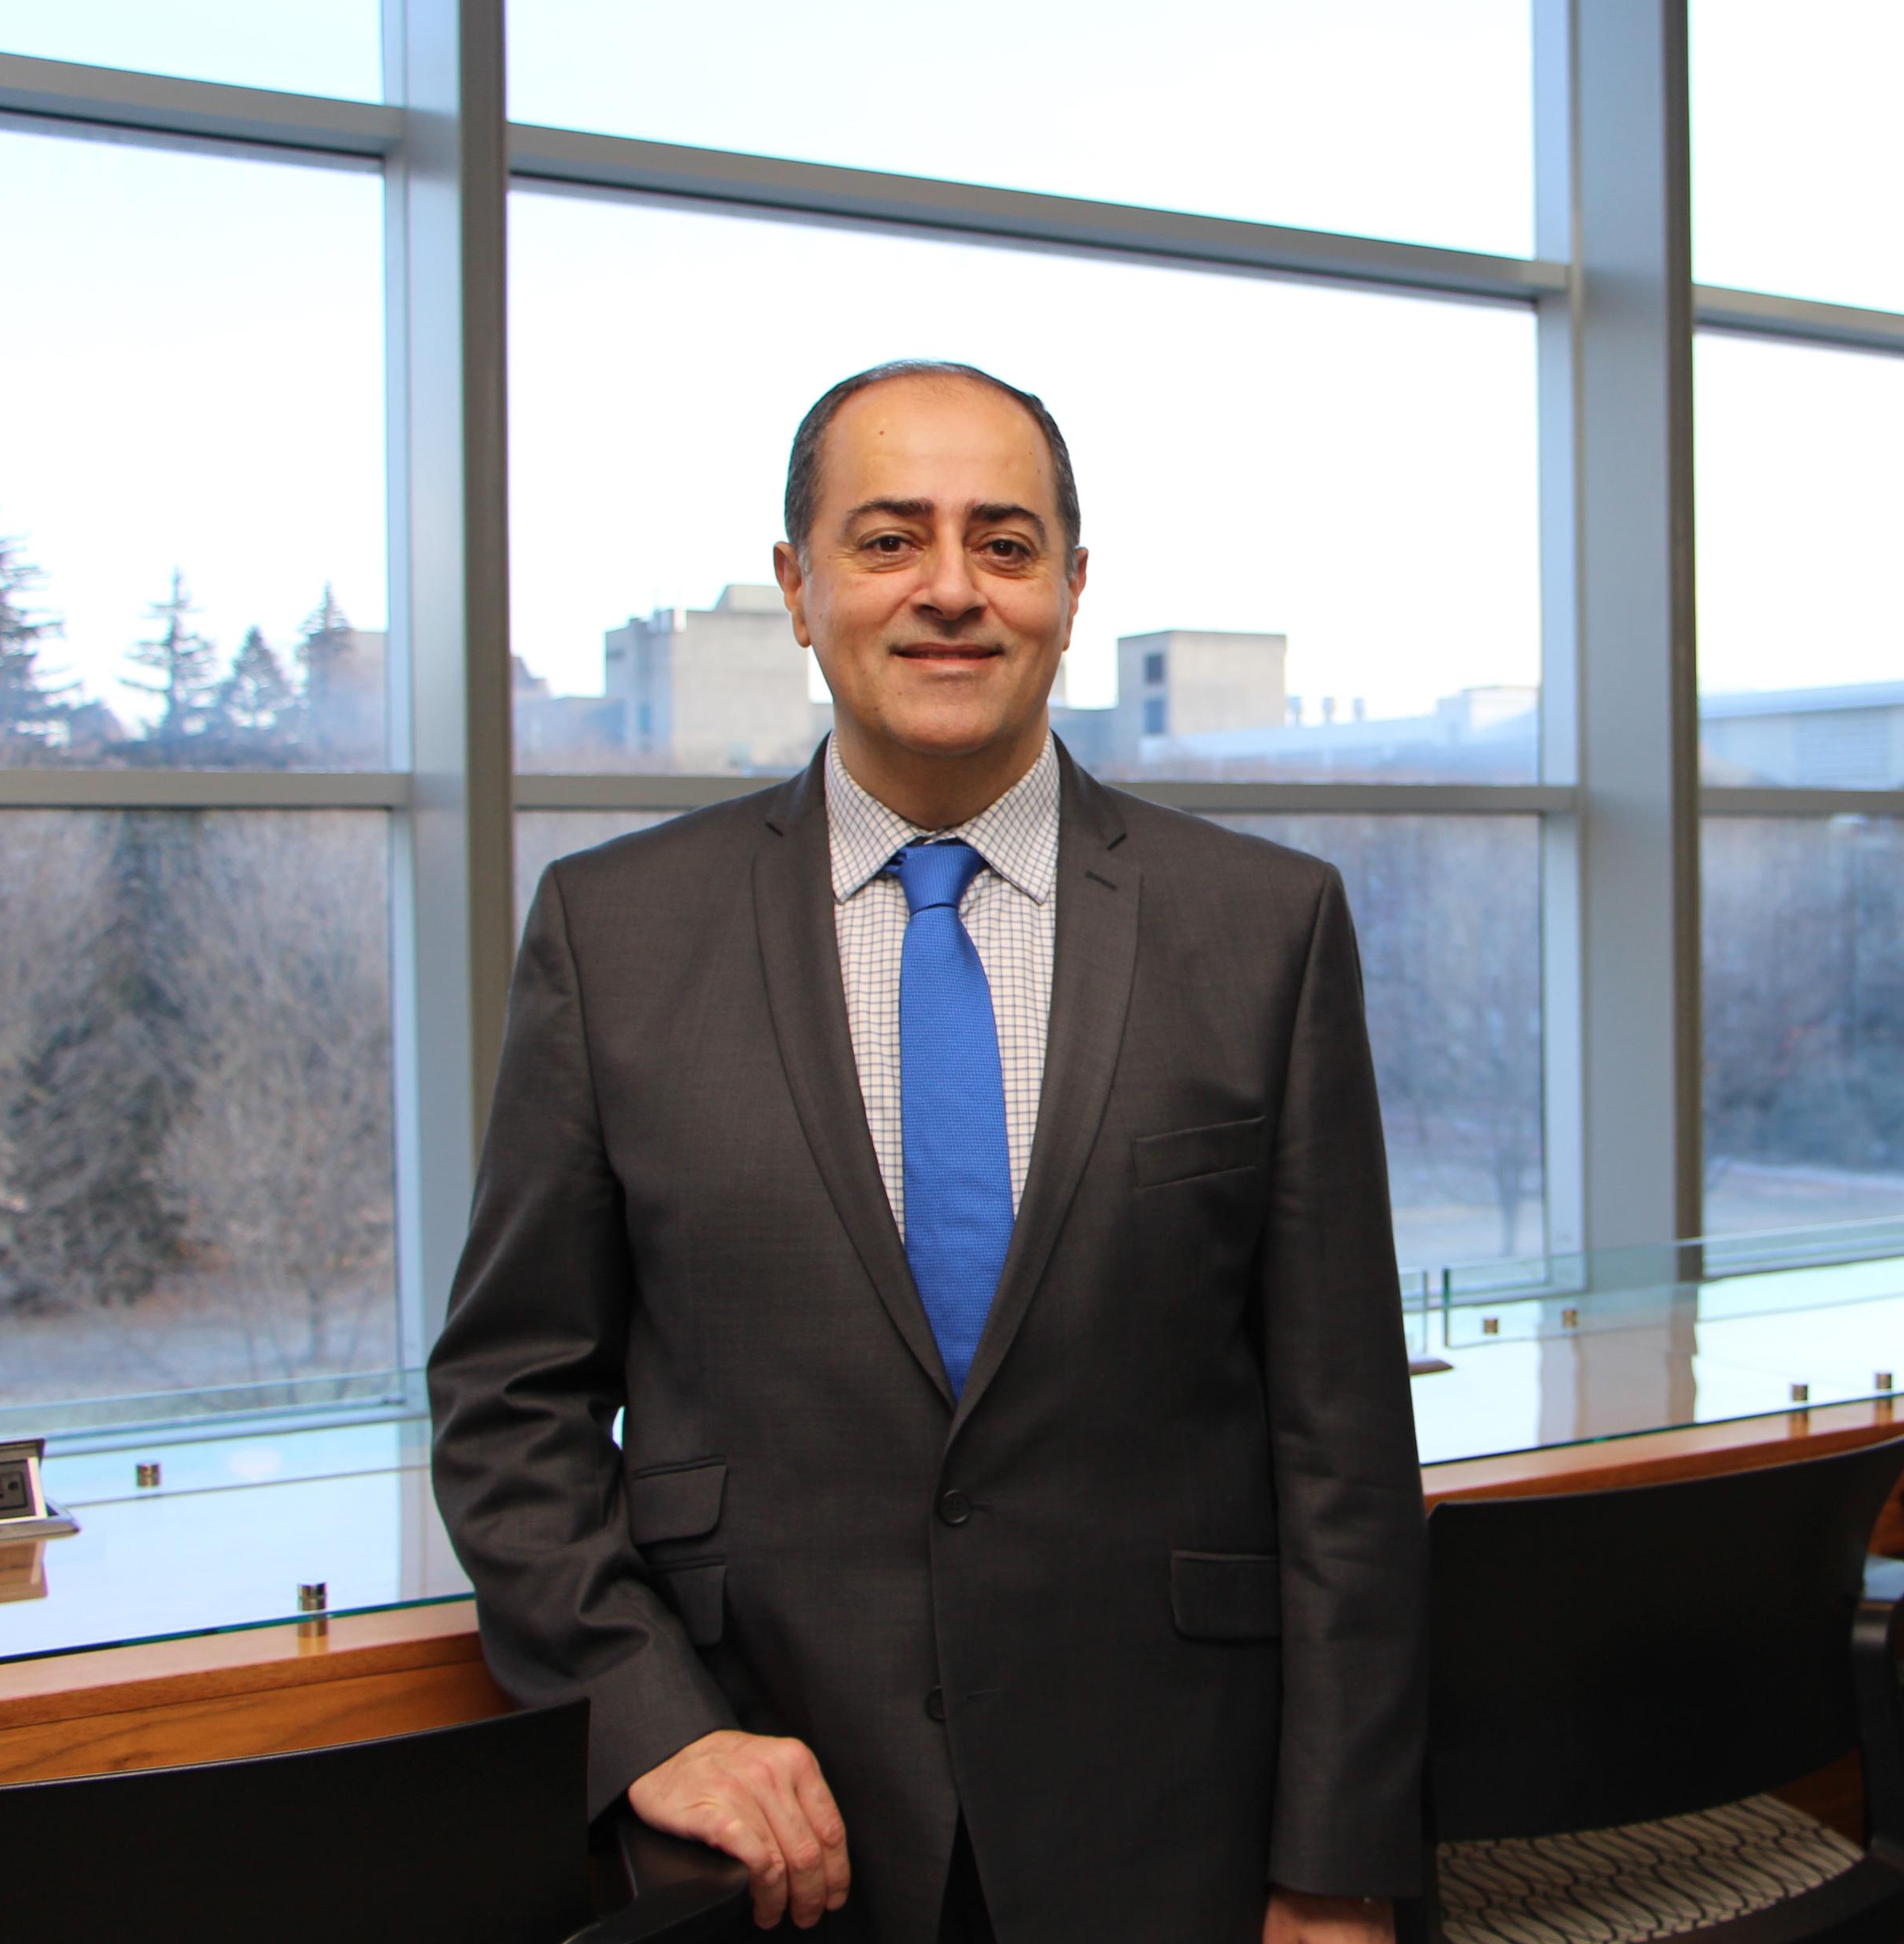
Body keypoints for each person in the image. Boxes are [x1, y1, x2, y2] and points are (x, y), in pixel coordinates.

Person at [428, 361, 1426, 1942]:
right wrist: (651, 1716)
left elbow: (1345, 1442)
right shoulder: (614, 933)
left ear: (1073, 589)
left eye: (1007, 544)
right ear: (797, 585)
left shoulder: (1264, 928)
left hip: (1178, 1820)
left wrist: (1338, 1861)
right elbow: (509, 1401)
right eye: (890, 539)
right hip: (775, 1830)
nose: (951, 589)